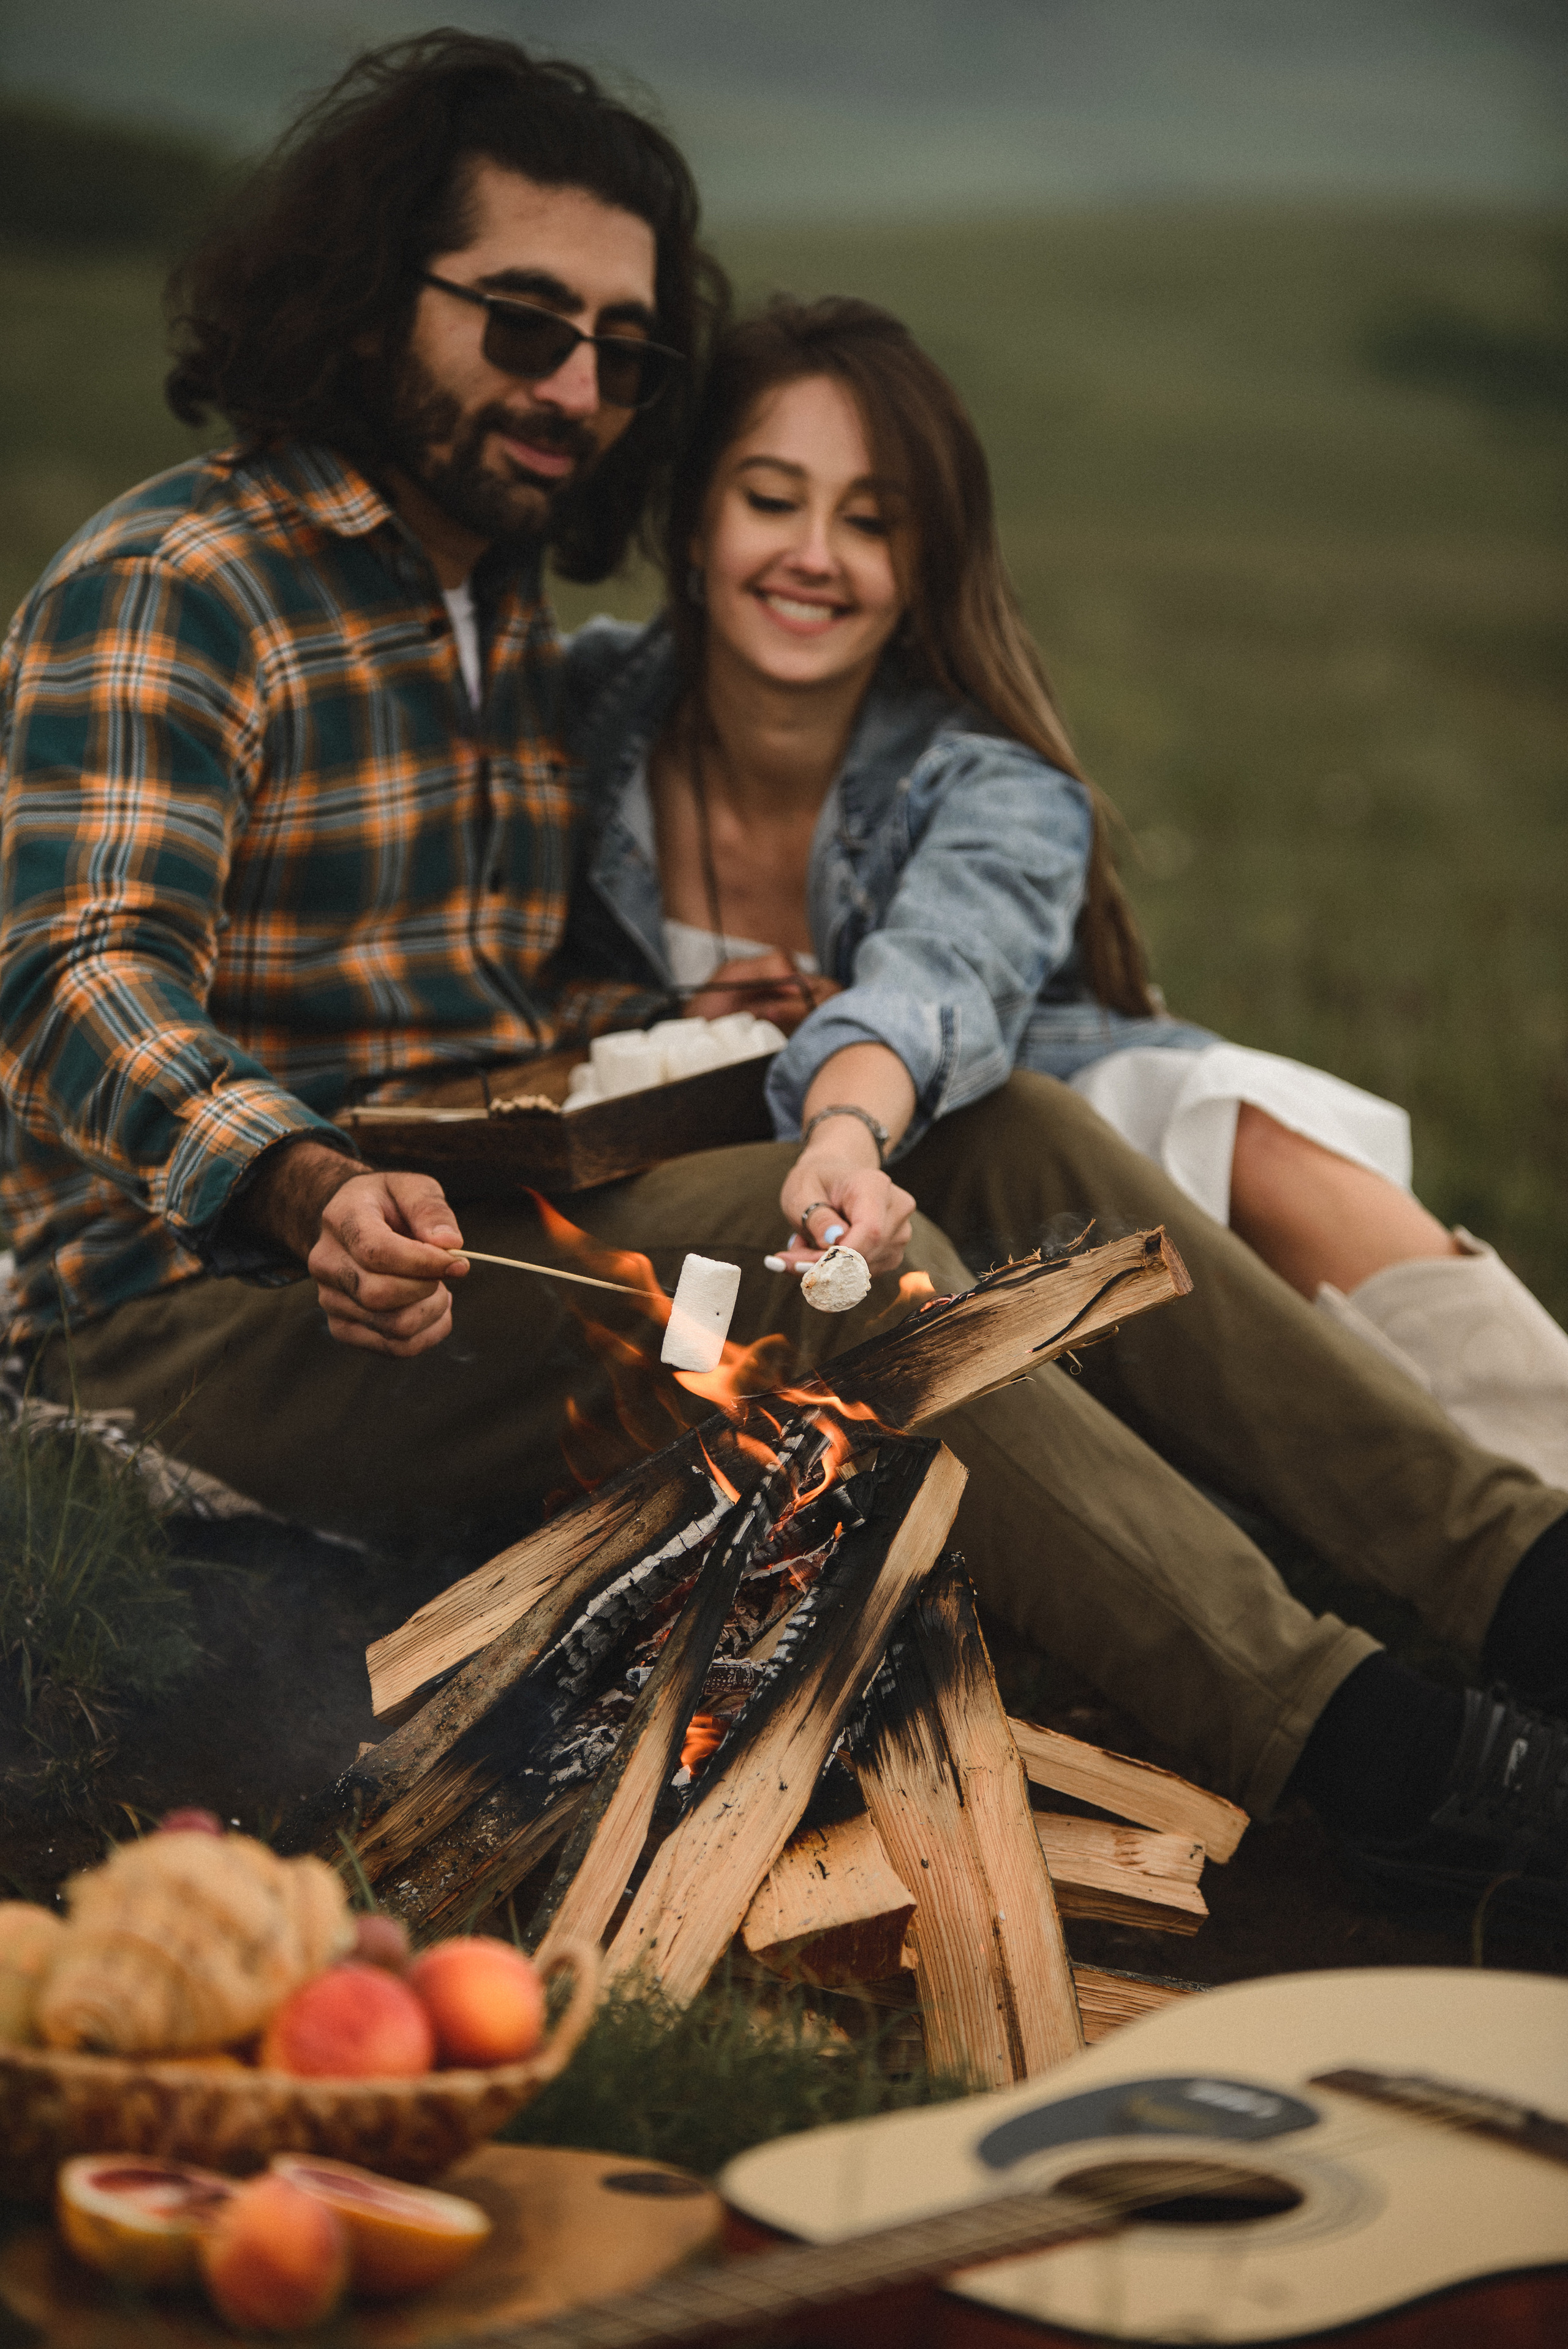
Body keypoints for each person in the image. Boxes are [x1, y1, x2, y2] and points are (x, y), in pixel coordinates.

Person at [1, 47, 1562, 1921]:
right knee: (787, 1263)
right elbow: (65, 973)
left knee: (1017, 1130)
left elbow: (444, 1003)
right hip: (213, 1313)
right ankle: (1382, 1757)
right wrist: (298, 1176)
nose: (574, 387)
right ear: (361, 292)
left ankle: (1519, 1578)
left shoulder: (497, 618)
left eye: (622, 349)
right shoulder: (182, 576)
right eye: (522, 321)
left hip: (486, 1247)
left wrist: (692, 1027)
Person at [559, 295, 1568, 1494]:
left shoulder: (995, 783)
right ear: (694, 520)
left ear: (922, 563)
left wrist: (841, 1123)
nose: (813, 554)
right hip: (723, 1230)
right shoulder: (578, 708)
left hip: (966, 1148)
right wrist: (654, 1030)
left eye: (870, 522)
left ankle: (1535, 1481)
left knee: (1226, 1126)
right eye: (771, 500)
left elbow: (940, 977)